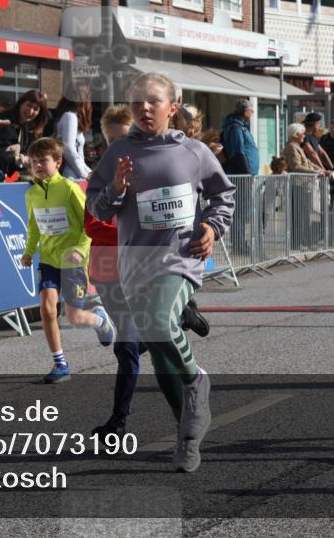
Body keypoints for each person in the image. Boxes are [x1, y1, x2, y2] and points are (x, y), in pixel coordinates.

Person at [87, 72, 235, 472]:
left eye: (153, 101)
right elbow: (98, 209)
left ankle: (196, 378)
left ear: (174, 105)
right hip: (135, 264)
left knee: (159, 323)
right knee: (157, 345)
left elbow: (223, 196)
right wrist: (116, 188)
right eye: (137, 102)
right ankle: (187, 434)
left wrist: (212, 226)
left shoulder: (193, 152)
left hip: (180, 258)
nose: (144, 108)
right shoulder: (117, 150)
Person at [86, 106, 210, 438]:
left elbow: (170, 223)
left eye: (124, 139)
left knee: (128, 347)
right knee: (142, 345)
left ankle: (119, 421)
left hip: (148, 266)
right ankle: (180, 319)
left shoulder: (156, 173)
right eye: (111, 141)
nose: (118, 149)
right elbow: (92, 223)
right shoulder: (101, 178)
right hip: (108, 270)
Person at [20, 137, 114, 384]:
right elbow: (34, 227)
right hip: (49, 260)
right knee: (47, 308)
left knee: (74, 316)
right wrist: (29, 252)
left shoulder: (70, 188)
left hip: (72, 260)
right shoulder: (31, 194)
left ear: (58, 162)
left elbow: (89, 223)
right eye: (34, 162)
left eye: (44, 161)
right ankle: (59, 363)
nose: (39, 166)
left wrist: (80, 251)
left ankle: (100, 320)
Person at [0, 89, 50, 182]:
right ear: (21, 103)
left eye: (36, 109)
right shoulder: (5, 121)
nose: (31, 111)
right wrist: (17, 159)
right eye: (29, 105)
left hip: (0, 175)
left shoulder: (24, 126)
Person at [53, 83, 93, 179]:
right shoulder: (70, 116)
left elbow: (77, 154)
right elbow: (68, 149)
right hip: (71, 175)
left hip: (74, 173)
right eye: (86, 95)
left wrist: (89, 172)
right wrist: (85, 174)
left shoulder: (69, 116)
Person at [221, 99, 260, 175]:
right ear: (245, 112)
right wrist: (247, 172)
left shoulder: (239, 127)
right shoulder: (236, 129)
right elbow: (238, 152)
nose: (252, 113)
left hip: (245, 174)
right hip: (242, 175)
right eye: (251, 111)